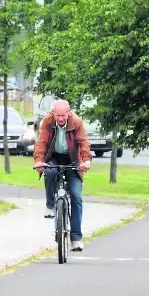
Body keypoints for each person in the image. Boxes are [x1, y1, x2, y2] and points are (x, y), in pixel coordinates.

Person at [34, 99, 92, 251]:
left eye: (63, 116)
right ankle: (50, 205)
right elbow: (41, 143)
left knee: (76, 196)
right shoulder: (47, 121)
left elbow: (83, 143)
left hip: (73, 159)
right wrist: (39, 161)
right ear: (53, 114)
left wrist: (86, 161)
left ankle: (76, 238)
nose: (60, 119)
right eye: (57, 115)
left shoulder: (77, 122)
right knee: (50, 172)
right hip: (53, 157)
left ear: (68, 113)